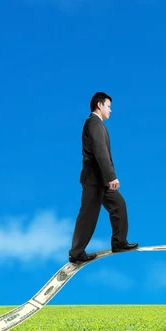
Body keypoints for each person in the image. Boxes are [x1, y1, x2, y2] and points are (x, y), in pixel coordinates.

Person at [68, 92, 138, 263]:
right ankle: (76, 253)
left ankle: (119, 242)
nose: (110, 110)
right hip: (94, 181)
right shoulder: (94, 123)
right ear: (99, 105)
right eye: (109, 106)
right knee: (88, 216)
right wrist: (111, 177)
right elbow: (101, 152)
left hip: (101, 181)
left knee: (119, 205)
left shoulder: (97, 124)